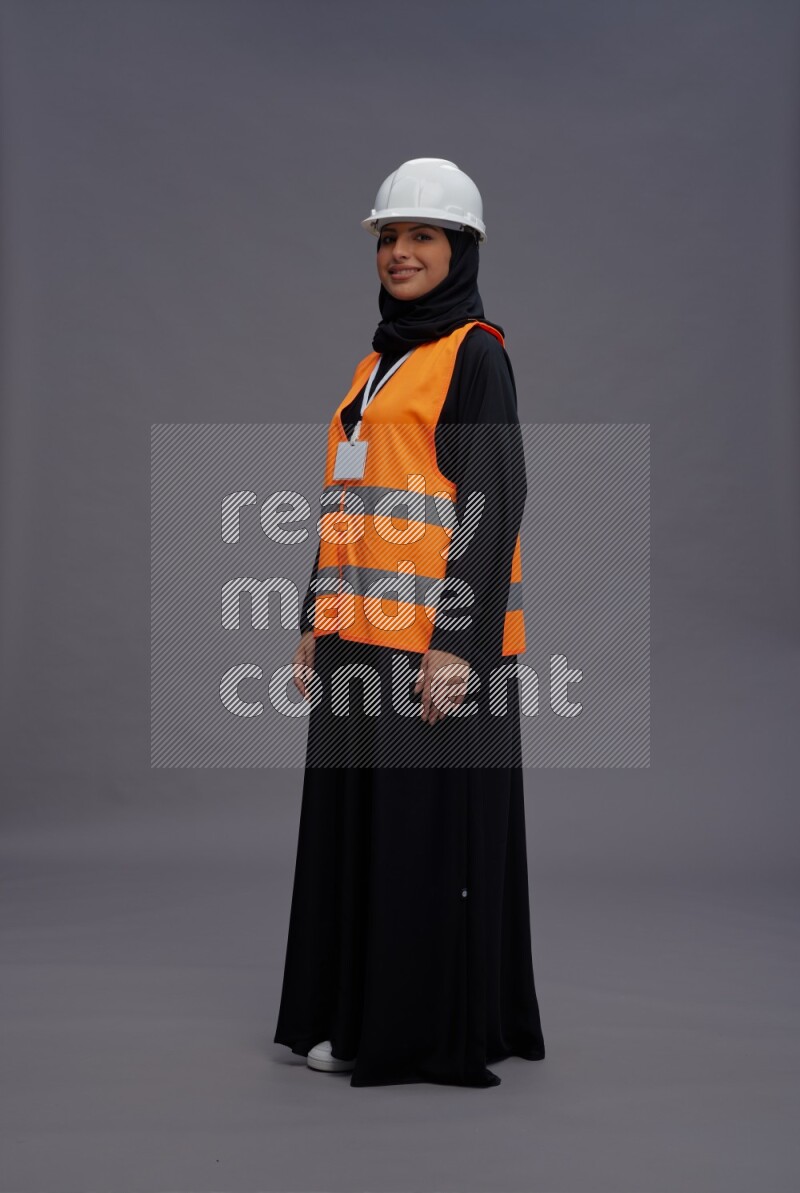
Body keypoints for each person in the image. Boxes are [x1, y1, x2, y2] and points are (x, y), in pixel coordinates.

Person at [273, 158, 545, 1088]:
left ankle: (406, 1033)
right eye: (390, 238)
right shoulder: (379, 358)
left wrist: (460, 646)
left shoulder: (476, 354)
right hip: (359, 641)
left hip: (430, 648)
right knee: (362, 830)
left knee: (420, 842)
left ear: (460, 249)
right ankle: (354, 1010)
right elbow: (347, 498)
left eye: (421, 236)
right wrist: (315, 613)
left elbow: (492, 499)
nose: (399, 253)